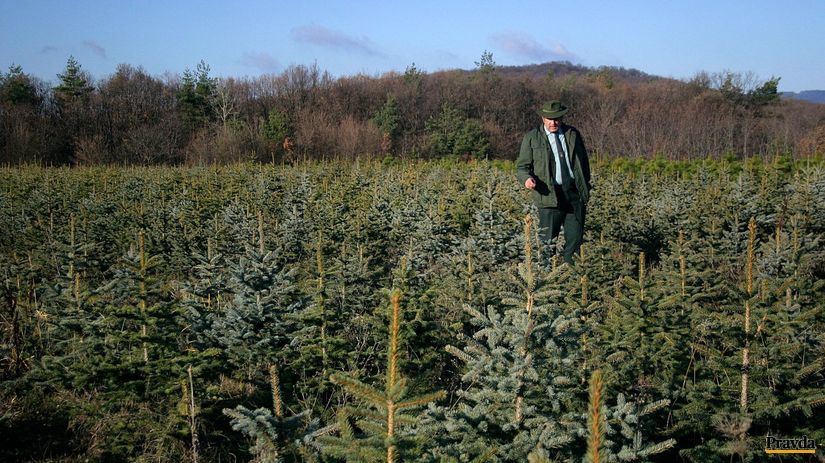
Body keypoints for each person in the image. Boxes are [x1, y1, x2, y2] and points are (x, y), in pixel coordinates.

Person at [516, 100, 592, 264]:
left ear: (562, 117)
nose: (553, 123)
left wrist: (586, 184)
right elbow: (522, 167)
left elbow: (584, 162)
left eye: (557, 118)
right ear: (543, 118)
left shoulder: (572, 134)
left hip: (574, 194)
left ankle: (571, 278)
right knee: (547, 242)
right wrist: (527, 180)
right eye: (549, 119)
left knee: (575, 240)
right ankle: (548, 280)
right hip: (549, 196)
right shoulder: (532, 138)